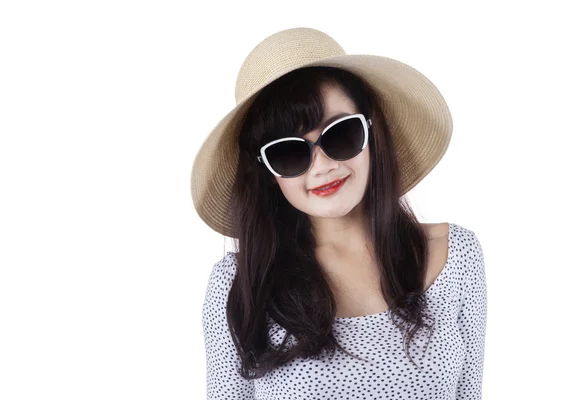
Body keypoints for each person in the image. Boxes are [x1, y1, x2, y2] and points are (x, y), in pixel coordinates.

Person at [190, 27, 487, 399]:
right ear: (267, 172)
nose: (322, 165)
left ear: (372, 134)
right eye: (290, 152)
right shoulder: (239, 283)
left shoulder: (456, 255)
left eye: (340, 134)